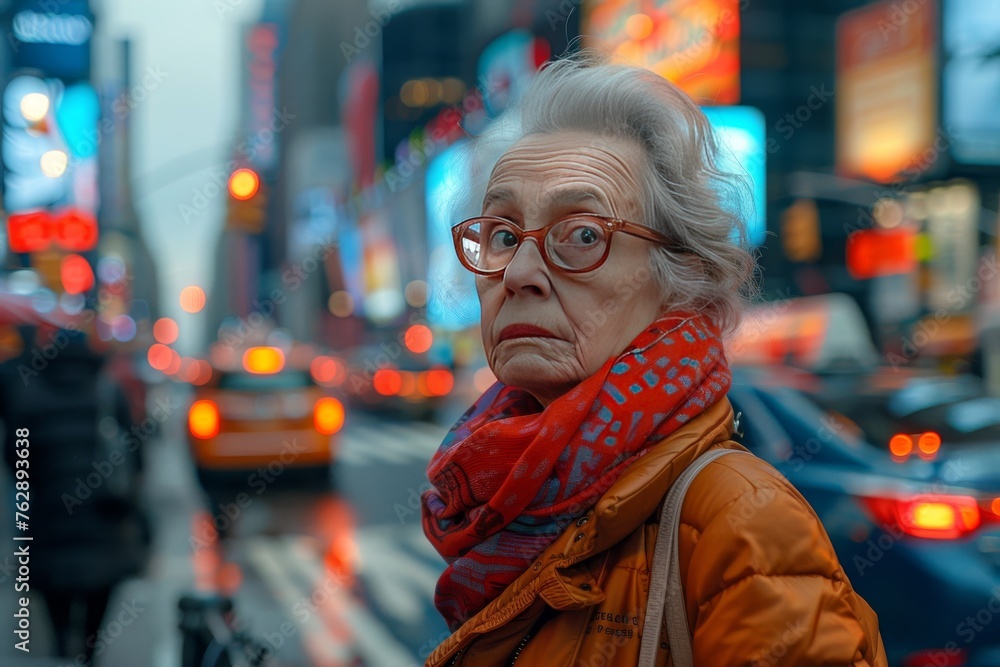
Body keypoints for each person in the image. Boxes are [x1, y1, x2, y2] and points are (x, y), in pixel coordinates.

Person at [420, 54, 886, 666]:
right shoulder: (490, 486)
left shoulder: (742, 521)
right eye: (504, 234)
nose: (520, 273)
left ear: (679, 281)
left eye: (582, 234)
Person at [0, 326, 148, 664]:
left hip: (49, 523)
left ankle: (64, 646)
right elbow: (136, 455)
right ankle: (88, 653)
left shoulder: (29, 395)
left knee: (59, 618)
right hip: (104, 523)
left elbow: (15, 461)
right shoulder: (108, 391)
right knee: (96, 615)